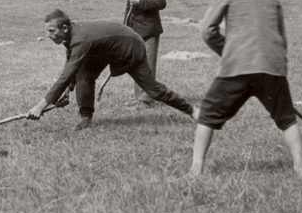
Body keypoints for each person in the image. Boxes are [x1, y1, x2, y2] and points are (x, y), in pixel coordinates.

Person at [189, 0, 302, 177]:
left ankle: (195, 170)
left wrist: (226, 50)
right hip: (272, 67)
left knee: (207, 115)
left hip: (238, 66)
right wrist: (278, 68)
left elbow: (207, 30)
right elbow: (282, 37)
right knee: (286, 119)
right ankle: (300, 167)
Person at [28, 9, 198, 130]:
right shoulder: (70, 34)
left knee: (153, 90)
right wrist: (68, 90)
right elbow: (71, 65)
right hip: (104, 49)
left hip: (130, 46)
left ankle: (192, 110)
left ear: (64, 28)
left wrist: (40, 106)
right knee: (84, 75)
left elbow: (66, 74)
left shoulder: (81, 40)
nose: (48, 35)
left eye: (51, 31)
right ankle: (86, 118)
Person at [121, 0, 167, 106]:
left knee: (147, 65)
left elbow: (161, 3)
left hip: (149, 29)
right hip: (135, 30)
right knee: (136, 64)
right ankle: (139, 98)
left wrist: (141, 2)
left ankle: (147, 100)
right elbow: (129, 6)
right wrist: (124, 28)